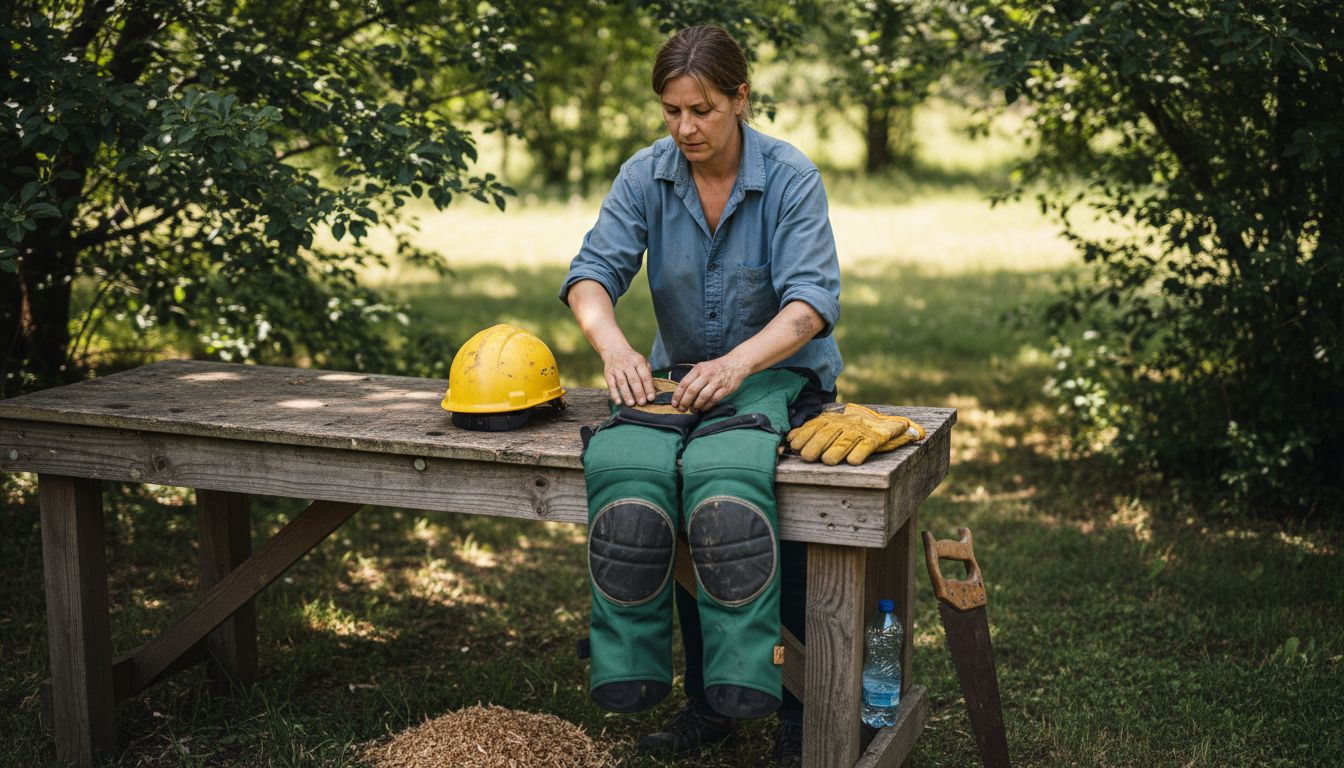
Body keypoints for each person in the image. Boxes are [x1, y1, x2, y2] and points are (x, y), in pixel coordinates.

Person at [559, 25, 842, 766]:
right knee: (652, 494)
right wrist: (615, 347)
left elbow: (811, 302)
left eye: (703, 109)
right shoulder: (643, 175)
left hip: (781, 380)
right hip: (681, 384)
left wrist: (739, 364)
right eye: (671, 110)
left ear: (740, 99)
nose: (685, 127)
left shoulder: (789, 176)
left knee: (740, 503)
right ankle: (707, 704)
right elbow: (591, 273)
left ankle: (796, 708)